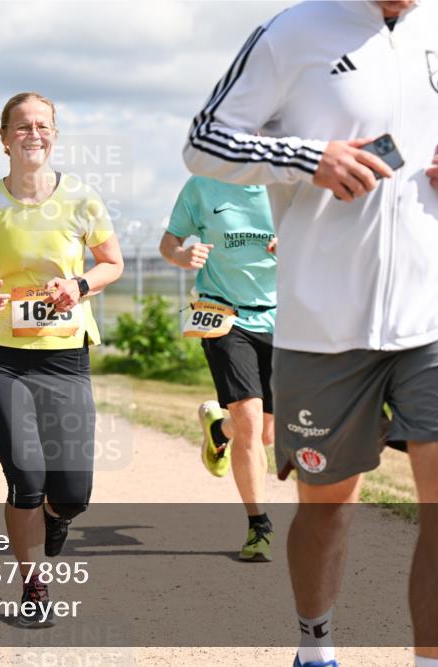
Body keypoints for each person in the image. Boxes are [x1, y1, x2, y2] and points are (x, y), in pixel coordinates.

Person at [183, 2, 438, 666]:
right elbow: (204, 141)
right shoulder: (290, 33)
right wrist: (307, 158)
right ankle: (316, 644)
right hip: (323, 324)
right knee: (328, 509)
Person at [0, 92, 124, 627]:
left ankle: (56, 517)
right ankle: (32, 584)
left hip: (65, 358)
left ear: (54, 134)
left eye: (43, 125)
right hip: (3, 361)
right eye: (22, 126)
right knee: (25, 477)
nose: (33, 133)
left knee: (72, 492)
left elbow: (111, 264)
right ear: (3, 138)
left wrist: (78, 285)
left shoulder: (82, 199)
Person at [159, 175, 278, 562]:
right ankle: (259, 526)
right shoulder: (202, 186)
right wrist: (180, 256)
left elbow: (331, 239)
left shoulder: (290, 185)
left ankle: (217, 429)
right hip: (223, 314)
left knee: (266, 432)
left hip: (282, 317)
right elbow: (169, 242)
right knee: (249, 421)